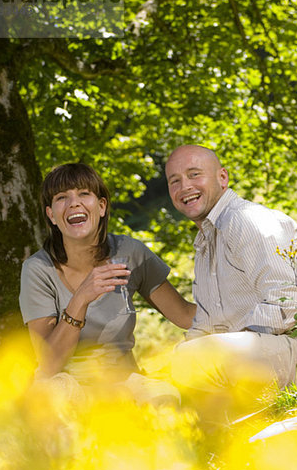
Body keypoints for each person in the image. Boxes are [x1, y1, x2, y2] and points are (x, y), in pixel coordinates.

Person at [165, 144, 297, 393]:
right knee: (182, 362)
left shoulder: (244, 220)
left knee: (197, 358)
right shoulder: (206, 243)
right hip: (276, 352)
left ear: (222, 177)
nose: (184, 186)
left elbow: (289, 304)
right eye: (174, 181)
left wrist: (218, 347)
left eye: (194, 174)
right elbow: (206, 324)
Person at [19, 162, 196, 405]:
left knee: (166, 400)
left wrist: (245, 297)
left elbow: (186, 316)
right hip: (65, 383)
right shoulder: (38, 269)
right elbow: (49, 363)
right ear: (51, 215)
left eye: (84, 193)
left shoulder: (130, 253)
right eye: (62, 197)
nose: (74, 203)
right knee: (51, 400)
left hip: (125, 381)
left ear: (101, 206)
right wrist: (81, 298)